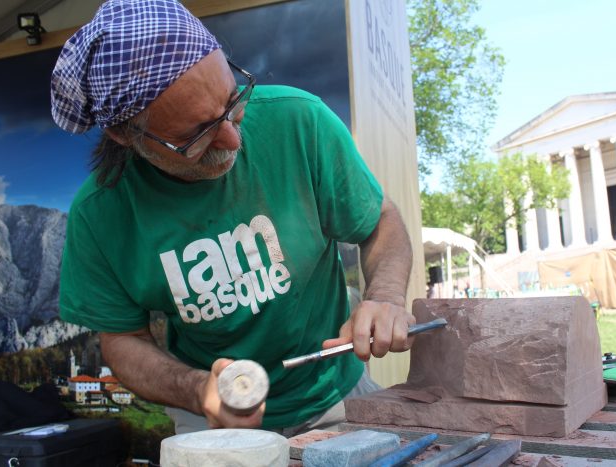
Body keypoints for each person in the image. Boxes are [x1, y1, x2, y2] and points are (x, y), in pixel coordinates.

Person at [51, 0, 415, 436]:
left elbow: (380, 222)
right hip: (212, 420)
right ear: (123, 133)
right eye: (195, 134)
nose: (232, 137)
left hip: (335, 396)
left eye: (232, 101)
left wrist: (388, 296)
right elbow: (123, 339)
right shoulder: (100, 215)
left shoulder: (299, 122)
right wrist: (196, 388)